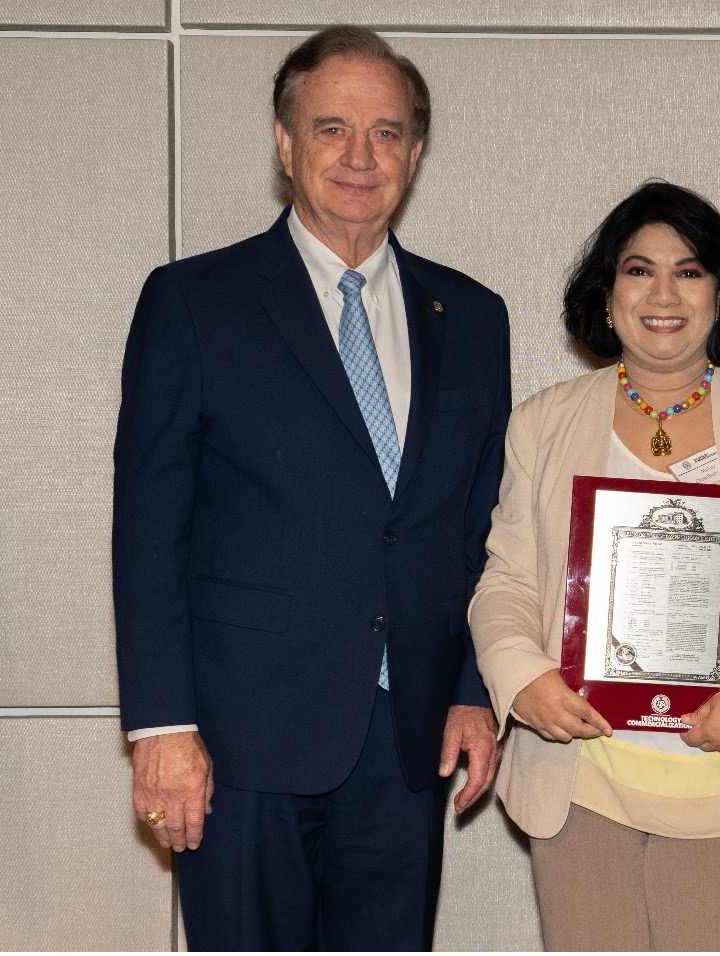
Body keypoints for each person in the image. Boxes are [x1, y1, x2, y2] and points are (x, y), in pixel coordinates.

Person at [112, 25, 510, 950]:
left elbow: (474, 529)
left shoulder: (473, 317)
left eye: (387, 131)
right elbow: (148, 530)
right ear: (285, 143)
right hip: (241, 737)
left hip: (406, 741)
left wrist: (468, 686)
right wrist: (161, 726)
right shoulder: (194, 303)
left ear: (415, 149)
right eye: (331, 128)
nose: (360, 156)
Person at [469, 181, 720, 951]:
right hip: (581, 775)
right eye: (638, 269)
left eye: (689, 271)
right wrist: (522, 680)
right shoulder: (544, 422)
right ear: (607, 292)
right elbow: (506, 581)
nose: (663, 293)